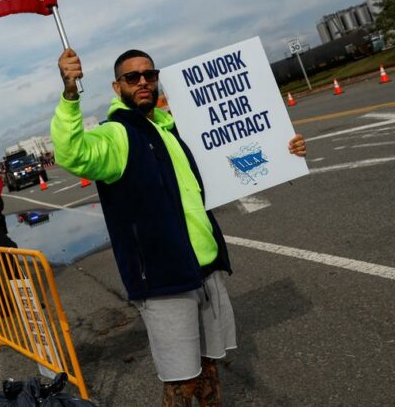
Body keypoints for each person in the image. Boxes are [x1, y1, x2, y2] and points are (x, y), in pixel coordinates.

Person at [51, 48, 307, 406]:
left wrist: (285, 152)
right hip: (163, 279)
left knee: (209, 368)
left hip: (203, 267)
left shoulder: (169, 129)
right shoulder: (118, 134)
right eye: (132, 77)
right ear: (116, 87)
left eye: (149, 74)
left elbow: (231, 158)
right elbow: (72, 152)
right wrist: (69, 93)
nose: (143, 81)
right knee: (180, 383)